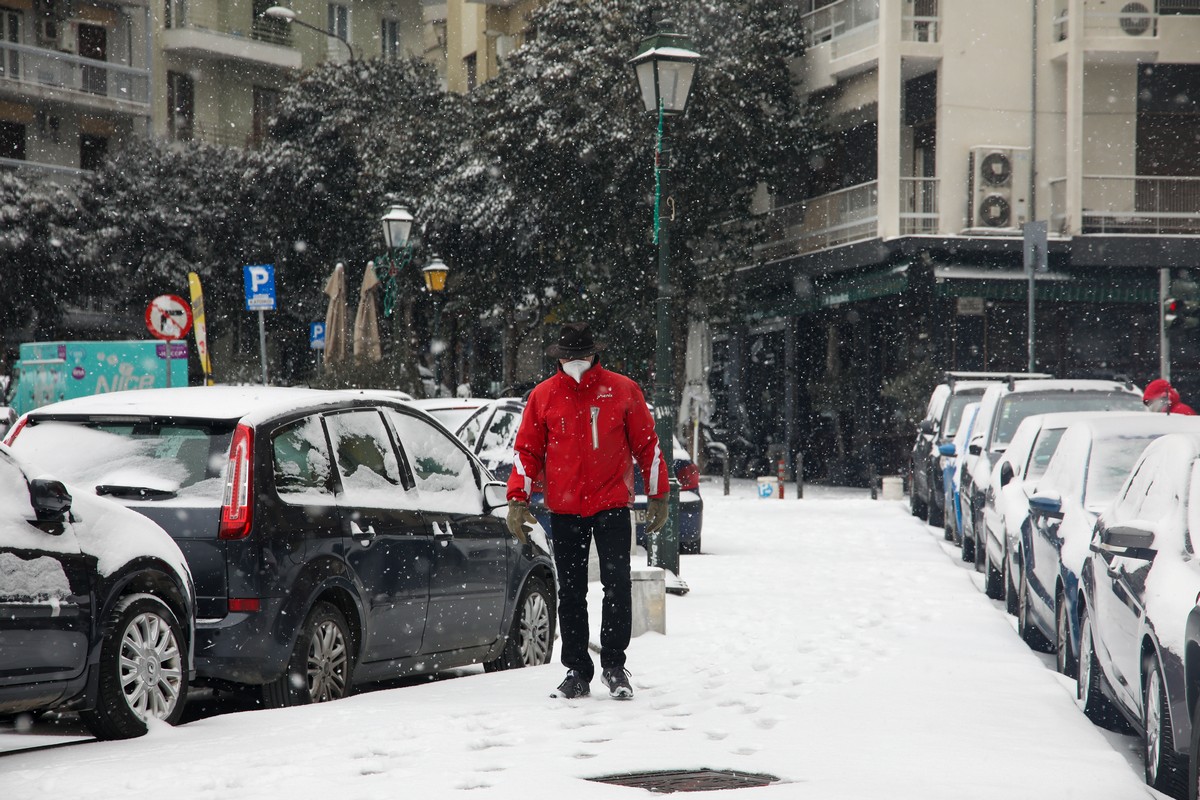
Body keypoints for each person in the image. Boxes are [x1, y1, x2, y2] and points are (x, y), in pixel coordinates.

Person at [506, 322, 669, 700]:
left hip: (611, 504)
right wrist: (518, 499)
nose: (574, 361)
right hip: (564, 508)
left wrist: (658, 493)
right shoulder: (543, 396)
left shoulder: (623, 390)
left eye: (579, 354)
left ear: (594, 354)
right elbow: (527, 451)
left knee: (617, 586)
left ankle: (614, 664)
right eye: (568, 355)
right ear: (559, 357)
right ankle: (577, 669)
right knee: (572, 592)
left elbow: (648, 446)